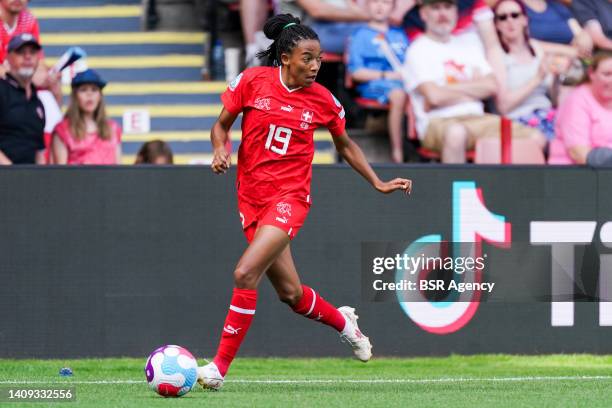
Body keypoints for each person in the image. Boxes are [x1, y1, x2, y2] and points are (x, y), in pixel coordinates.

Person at [197, 13, 412, 390]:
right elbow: (221, 125)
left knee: (245, 273)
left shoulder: (323, 101)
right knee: (291, 294)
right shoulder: (252, 82)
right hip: (251, 198)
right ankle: (345, 324)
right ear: (285, 58)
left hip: (290, 198)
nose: (316, 66)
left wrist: (377, 182)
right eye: (307, 58)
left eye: (318, 58)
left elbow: (345, 145)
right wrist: (220, 149)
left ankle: (218, 368)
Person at [402, 0, 543, 163]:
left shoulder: (469, 44)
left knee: (535, 137)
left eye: (448, 7)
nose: (443, 14)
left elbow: (491, 86)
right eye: (436, 8)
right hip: (438, 122)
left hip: (478, 118)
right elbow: (434, 96)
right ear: (423, 14)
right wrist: (474, 91)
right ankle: (453, 187)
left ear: (456, 12)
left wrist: (446, 91)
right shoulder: (418, 50)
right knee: (456, 133)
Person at [348, 0, 409, 162]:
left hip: (406, 81)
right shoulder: (360, 34)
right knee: (398, 94)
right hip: (375, 84)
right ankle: (398, 151)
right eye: (374, 1)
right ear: (366, 5)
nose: (380, 6)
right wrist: (386, 76)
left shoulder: (400, 34)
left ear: (393, 7)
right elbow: (356, 72)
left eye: (386, 2)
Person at [493, 0, 557, 141]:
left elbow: (554, 99)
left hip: (548, 114)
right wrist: (537, 79)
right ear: (497, 25)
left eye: (515, 15)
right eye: (503, 17)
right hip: (518, 120)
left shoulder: (536, 48)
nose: (510, 21)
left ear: (524, 19)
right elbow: (503, 107)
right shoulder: (497, 55)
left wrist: (558, 77)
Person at [549, 51, 612, 165]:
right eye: (607, 74)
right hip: (575, 174)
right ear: (591, 74)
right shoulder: (577, 100)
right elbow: (578, 152)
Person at [51, 69, 122, 165]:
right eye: (83, 90)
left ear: (100, 96)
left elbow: (119, 169)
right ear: (75, 96)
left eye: (94, 89)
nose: (90, 94)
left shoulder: (113, 128)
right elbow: (59, 174)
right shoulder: (62, 130)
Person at [0, 33, 45, 165]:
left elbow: (39, 150)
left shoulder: (38, 101)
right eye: (21, 52)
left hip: (29, 180)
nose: (28, 57)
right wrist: (13, 173)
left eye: (33, 52)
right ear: (8, 57)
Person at [277, 0, 370, 54]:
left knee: (373, 32)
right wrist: (368, 16)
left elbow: (352, 7)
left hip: (336, 27)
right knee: (370, 37)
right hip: (301, 33)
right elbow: (318, 11)